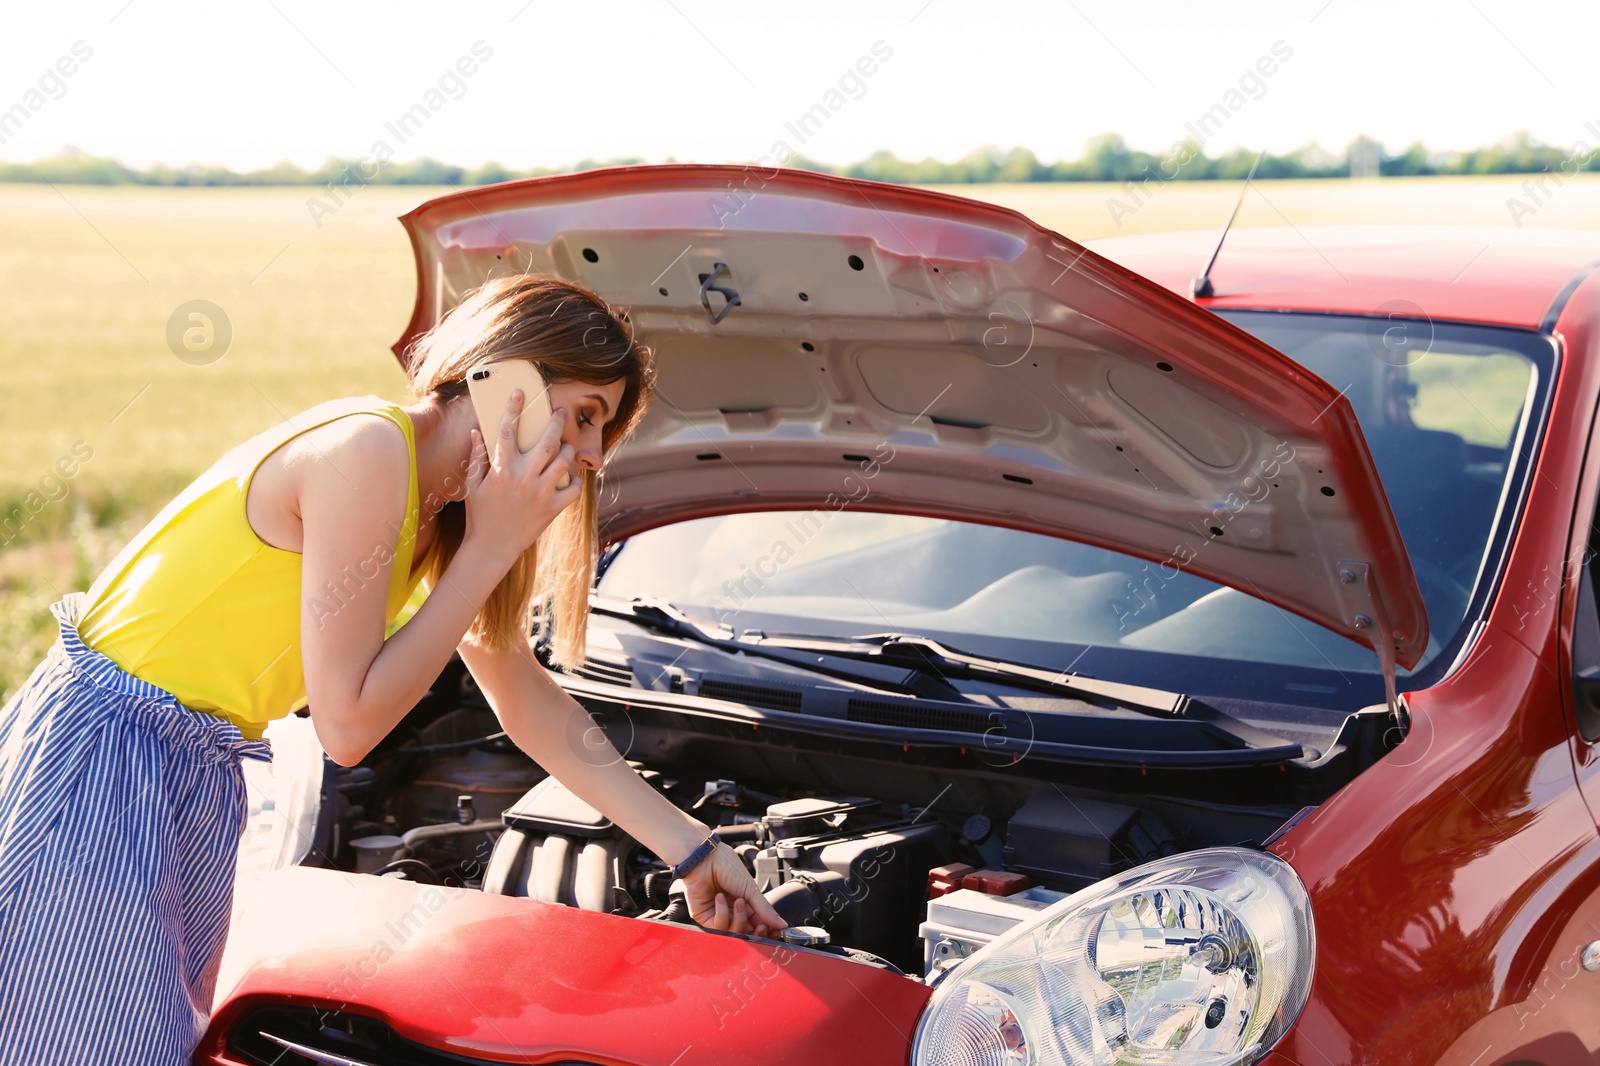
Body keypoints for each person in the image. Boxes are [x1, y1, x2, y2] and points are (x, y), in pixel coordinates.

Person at [0, 273, 785, 1064]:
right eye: (584, 415)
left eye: (601, 432)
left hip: (196, 773)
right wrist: (489, 547)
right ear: (505, 379)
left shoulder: (446, 512)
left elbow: (523, 698)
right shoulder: (369, 451)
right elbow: (346, 726)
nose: (587, 454)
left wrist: (690, 849)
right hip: (104, 753)